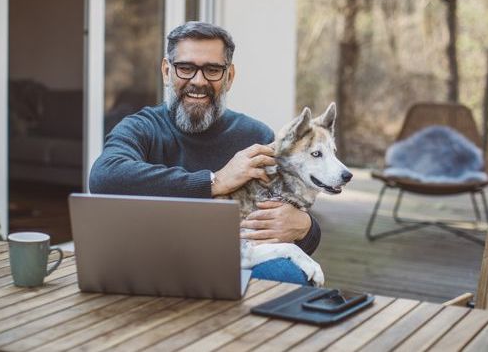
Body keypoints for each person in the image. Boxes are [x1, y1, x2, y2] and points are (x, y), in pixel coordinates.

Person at [89, 21, 321, 285]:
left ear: (229, 77)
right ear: (167, 71)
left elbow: (290, 220)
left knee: (288, 274)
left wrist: (305, 227)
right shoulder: (141, 128)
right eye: (185, 68)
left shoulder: (257, 138)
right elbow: (104, 176)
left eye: (212, 70)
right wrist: (215, 181)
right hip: (154, 260)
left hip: (232, 263)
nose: (198, 81)